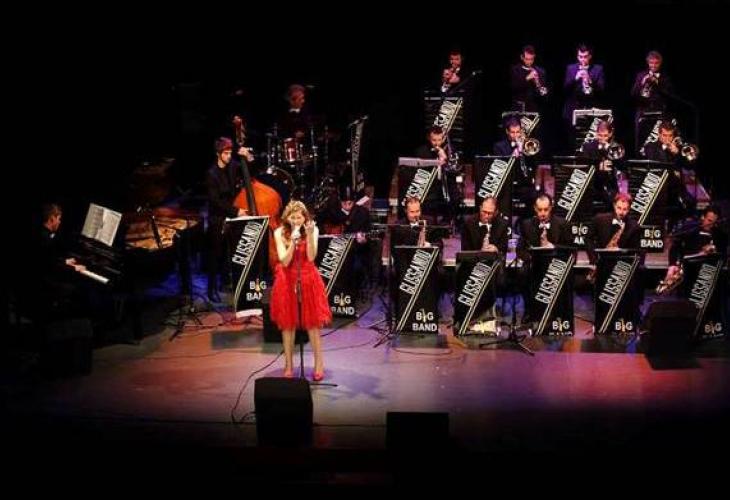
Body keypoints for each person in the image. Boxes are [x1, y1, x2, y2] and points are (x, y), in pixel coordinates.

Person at [270, 200, 332, 380]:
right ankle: (288, 365)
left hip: (308, 278)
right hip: (287, 280)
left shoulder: (313, 230)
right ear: (287, 218)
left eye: (299, 217)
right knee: (288, 325)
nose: (296, 221)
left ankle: (319, 364)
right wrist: (293, 242)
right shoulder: (279, 232)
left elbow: (311, 257)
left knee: (313, 324)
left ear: (305, 218)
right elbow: (285, 261)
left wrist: (310, 236)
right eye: (293, 217)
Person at [206, 137, 249, 303]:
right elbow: (215, 200)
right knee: (215, 254)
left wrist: (248, 156)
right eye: (226, 153)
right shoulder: (211, 174)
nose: (229, 156)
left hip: (231, 214)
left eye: (230, 153)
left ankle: (227, 282)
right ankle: (211, 289)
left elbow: (248, 169)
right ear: (218, 154)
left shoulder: (232, 167)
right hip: (217, 217)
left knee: (230, 252)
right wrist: (236, 211)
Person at [516, 194, 570, 321]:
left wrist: (553, 246)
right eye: (540, 210)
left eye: (546, 209)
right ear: (535, 209)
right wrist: (529, 257)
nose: (543, 213)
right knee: (522, 272)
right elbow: (520, 249)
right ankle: (529, 310)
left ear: (551, 208)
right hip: (535, 263)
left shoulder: (563, 224)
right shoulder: (526, 224)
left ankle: (557, 313)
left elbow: (569, 247)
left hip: (555, 263)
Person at [660, 205, 728, 290]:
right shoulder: (690, 229)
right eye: (709, 221)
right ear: (703, 217)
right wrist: (672, 265)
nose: (711, 225)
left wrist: (714, 249)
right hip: (688, 268)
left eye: (714, 222)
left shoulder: (720, 235)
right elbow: (675, 247)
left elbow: (723, 254)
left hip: (708, 272)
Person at [579, 120, 621, 209]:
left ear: (610, 134)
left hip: (609, 185)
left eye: (605, 136)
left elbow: (621, 165)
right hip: (592, 184)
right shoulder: (587, 147)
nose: (602, 139)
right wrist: (599, 167)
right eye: (600, 135)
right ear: (596, 133)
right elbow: (585, 166)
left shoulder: (615, 148)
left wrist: (608, 148)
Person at [563, 44, 605, 123]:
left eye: (585, 57)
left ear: (590, 56)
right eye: (580, 57)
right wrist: (576, 78)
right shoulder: (571, 68)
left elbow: (601, 89)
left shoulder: (598, 69)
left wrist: (590, 80)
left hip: (591, 109)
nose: (582, 60)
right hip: (572, 110)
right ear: (577, 56)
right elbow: (565, 89)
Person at [631, 51, 674, 122]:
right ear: (648, 63)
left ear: (660, 63)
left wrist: (657, 83)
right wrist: (642, 82)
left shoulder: (665, 78)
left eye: (656, 63)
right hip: (642, 111)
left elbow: (668, 95)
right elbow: (633, 93)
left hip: (659, 111)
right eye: (651, 63)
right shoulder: (641, 75)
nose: (653, 65)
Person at [510, 45, 549, 112]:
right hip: (518, 108)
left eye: (531, 59)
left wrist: (539, 86)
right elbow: (513, 87)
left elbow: (544, 95)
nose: (529, 62)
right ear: (522, 57)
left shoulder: (540, 71)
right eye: (527, 59)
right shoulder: (515, 70)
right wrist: (527, 78)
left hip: (534, 109)